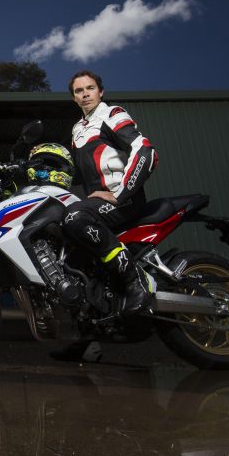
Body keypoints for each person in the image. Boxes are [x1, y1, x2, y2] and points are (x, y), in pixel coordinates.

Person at [60, 69, 158, 317]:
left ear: (100, 91)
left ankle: (135, 280)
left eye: (90, 88)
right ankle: (87, 335)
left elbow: (144, 150)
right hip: (97, 203)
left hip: (125, 199)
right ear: (73, 98)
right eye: (78, 91)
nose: (85, 94)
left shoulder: (111, 114)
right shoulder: (77, 130)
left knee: (75, 217)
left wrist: (120, 194)